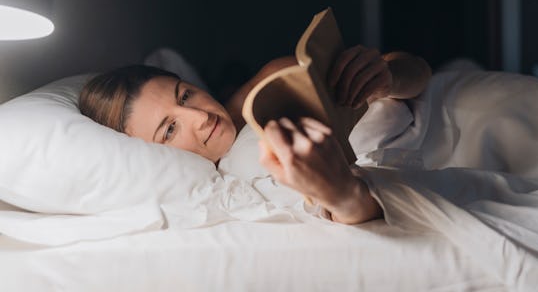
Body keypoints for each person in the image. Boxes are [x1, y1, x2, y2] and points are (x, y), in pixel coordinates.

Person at [79, 46, 432, 225]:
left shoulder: (264, 87)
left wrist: (387, 73)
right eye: (170, 129)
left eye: (185, 95)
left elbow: (418, 70)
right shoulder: (241, 175)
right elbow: (348, 210)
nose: (200, 116)